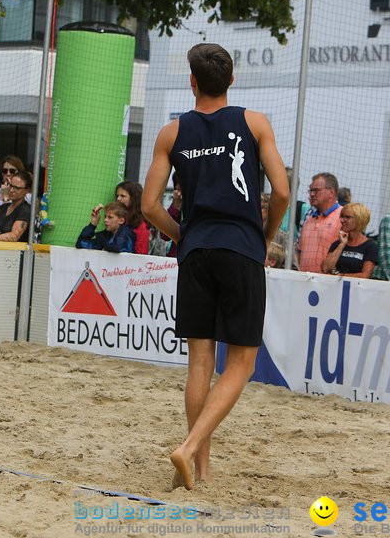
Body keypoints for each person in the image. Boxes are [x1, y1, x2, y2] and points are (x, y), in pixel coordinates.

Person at [140, 43, 289, 492]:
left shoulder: (172, 132)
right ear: (232, 80)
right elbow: (281, 192)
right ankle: (188, 450)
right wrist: (265, 235)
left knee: (199, 361)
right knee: (241, 362)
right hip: (241, 247)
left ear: (192, 82)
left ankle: (200, 470)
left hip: (196, 250)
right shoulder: (253, 122)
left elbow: (149, 206)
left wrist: (182, 234)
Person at [297, 172, 342, 273]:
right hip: (304, 282)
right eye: (311, 190)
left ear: (331, 192)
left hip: (329, 283)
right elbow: (299, 252)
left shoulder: (342, 217)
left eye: (316, 190)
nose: (312, 194)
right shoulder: (308, 220)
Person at [321, 202, 378, 278]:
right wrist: (341, 245)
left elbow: (365, 275)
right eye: (342, 217)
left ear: (359, 219)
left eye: (347, 217)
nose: (342, 220)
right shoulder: (337, 244)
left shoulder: (370, 246)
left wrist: (341, 276)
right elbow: (326, 268)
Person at [115, 180, 151, 254]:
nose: (118, 199)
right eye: (117, 196)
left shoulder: (141, 224)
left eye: (122, 196)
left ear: (133, 198)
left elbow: (141, 254)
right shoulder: (119, 218)